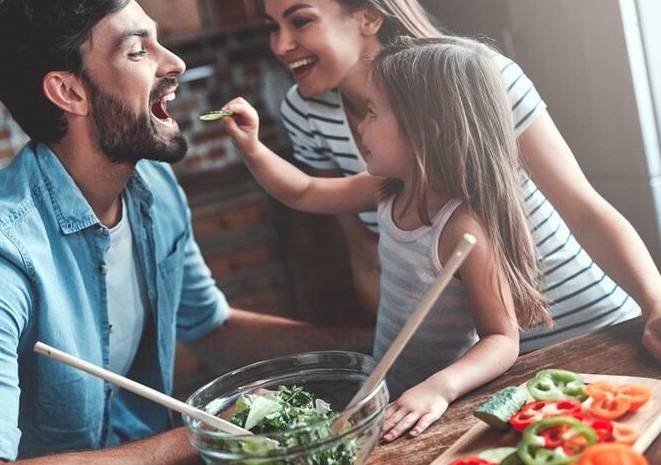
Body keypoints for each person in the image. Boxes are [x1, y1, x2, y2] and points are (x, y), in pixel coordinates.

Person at [0, 0, 371, 464]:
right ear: (69, 92)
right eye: (138, 50)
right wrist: (213, 433)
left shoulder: (153, 186)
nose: (173, 63)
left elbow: (210, 327)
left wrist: (373, 351)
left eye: (159, 42)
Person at [261, 0, 661, 376]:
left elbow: (583, 208)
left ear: (367, 14)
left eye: (300, 21)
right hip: (474, 372)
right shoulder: (305, 112)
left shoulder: (480, 76)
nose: (281, 45)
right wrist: (400, 366)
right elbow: (367, 255)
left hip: (587, 329)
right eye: (272, 26)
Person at [220, 35, 554, 441]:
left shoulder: (462, 228)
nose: (361, 126)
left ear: (425, 134)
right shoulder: (389, 190)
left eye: (374, 113)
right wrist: (252, 148)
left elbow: (502, 339)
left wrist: (437, 390)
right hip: (389, 398)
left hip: (437, 412)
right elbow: (304, 191)